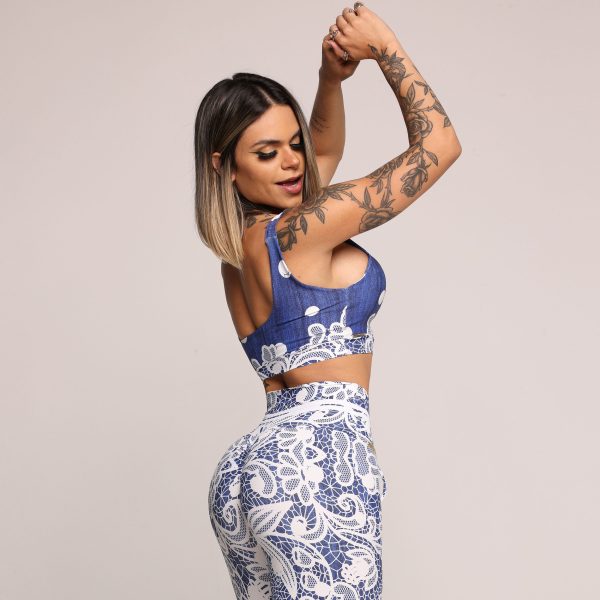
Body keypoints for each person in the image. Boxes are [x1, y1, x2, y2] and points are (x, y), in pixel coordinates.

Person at [195, 3, 462, 598]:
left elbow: (316, 159)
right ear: (225, 166)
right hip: (315, 464)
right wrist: (385, 46)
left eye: (292, 143)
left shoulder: (241, 250)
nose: (291, 161)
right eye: (267, 153)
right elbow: (440, 146)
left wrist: (330, 81)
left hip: (249, 472)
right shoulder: (301, 231)